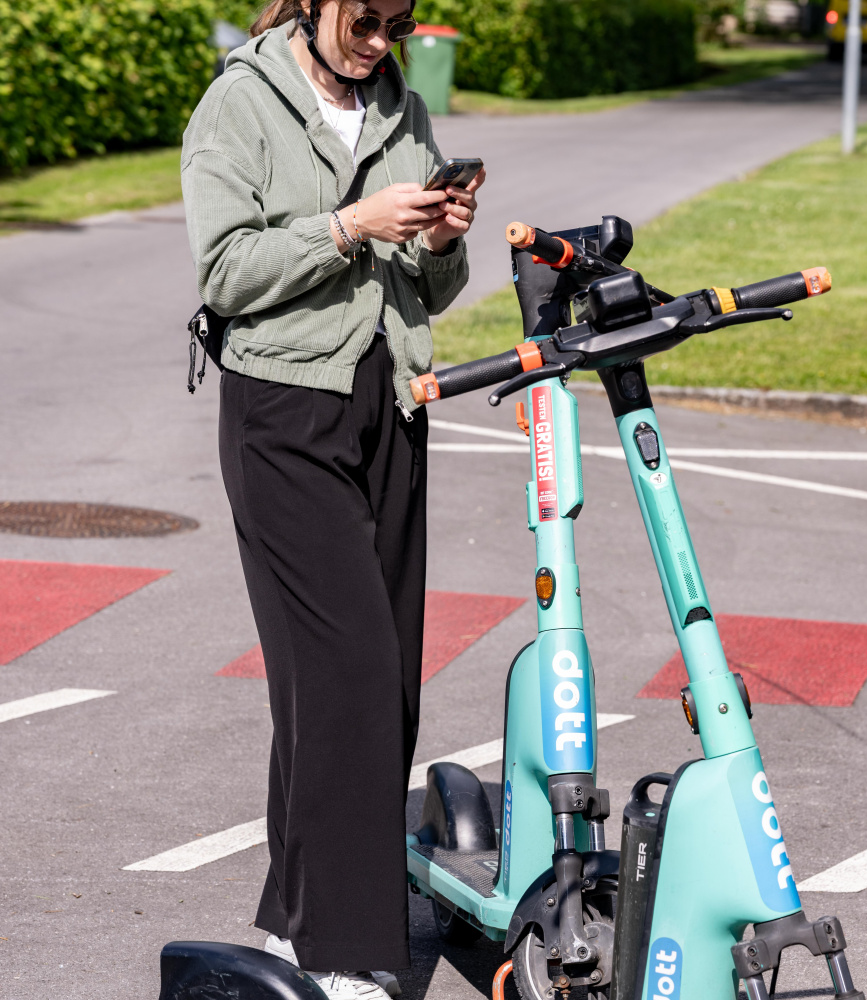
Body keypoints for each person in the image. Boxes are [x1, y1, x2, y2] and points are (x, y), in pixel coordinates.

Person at [180, 0, 484, 996]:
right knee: (348, 670)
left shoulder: (398, 108)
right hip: (283, 412)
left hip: (389, 404)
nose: (382, 39)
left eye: (401, 20)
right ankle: (340, 948)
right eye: (368, 16)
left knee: (374, 677)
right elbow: (225, 272)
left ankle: (292, 916)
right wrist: (351, 224)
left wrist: (440, 237)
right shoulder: (241, 104)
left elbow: (431, 290)